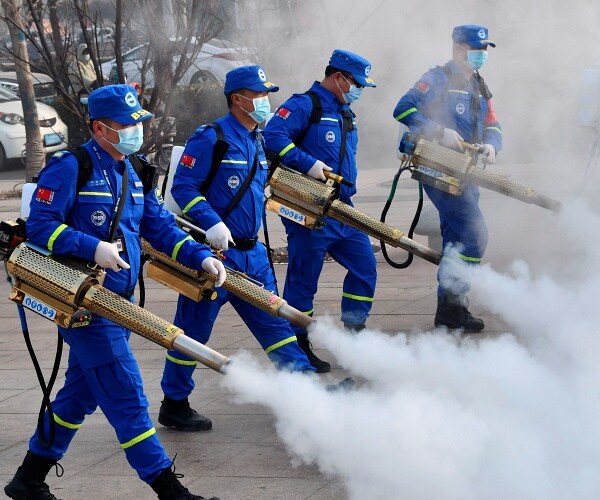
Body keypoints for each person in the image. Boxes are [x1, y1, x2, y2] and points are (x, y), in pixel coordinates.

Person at [4, 84, 223, 500]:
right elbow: (41, 226)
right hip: (85, 303)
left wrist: (198, 256)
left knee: (77, 398)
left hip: (118, 305)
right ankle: (168, 490)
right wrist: (92, 247)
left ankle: (28, 479)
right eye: (124, 125)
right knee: (128, 397)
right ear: (99, 127)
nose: (134, 130)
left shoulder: (133, 172)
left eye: (136, 122)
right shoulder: (72, 167)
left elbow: (158, 226)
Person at [159, 65, 316, 432]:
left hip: (253, 254)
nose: (265, 102)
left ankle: (306, 389)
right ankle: (175, 403)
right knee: (192, 333)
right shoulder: (212, 137)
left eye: (266, 94)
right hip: (215, 256)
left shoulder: (257, 138)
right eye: (259, 95)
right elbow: (183, 187)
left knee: (275, 324)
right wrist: (211, 222)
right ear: (237, 99)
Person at [263, 49, 378, 372]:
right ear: (339, 77)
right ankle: (298, 345)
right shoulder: (305, 105)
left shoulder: (344, 112)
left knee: (364, 266)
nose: (359, 91)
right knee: (303, 281)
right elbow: (273, 136)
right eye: (357, 84)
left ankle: (355, 335)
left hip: (343, 209)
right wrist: (307, 163)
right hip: (309, 209)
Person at [392, 24, 502, 332]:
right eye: (475, 50)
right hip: (440, 169)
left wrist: (492, 146)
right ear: (458, 49)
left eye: (483, 51)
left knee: (455, 240)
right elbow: (402, 109)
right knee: (474, 235)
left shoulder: (479, 84)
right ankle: (453, 305)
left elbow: (493, 124)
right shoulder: (437, 78)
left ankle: (451, 310)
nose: (480, 56)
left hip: (468, 172)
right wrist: (438, 130)